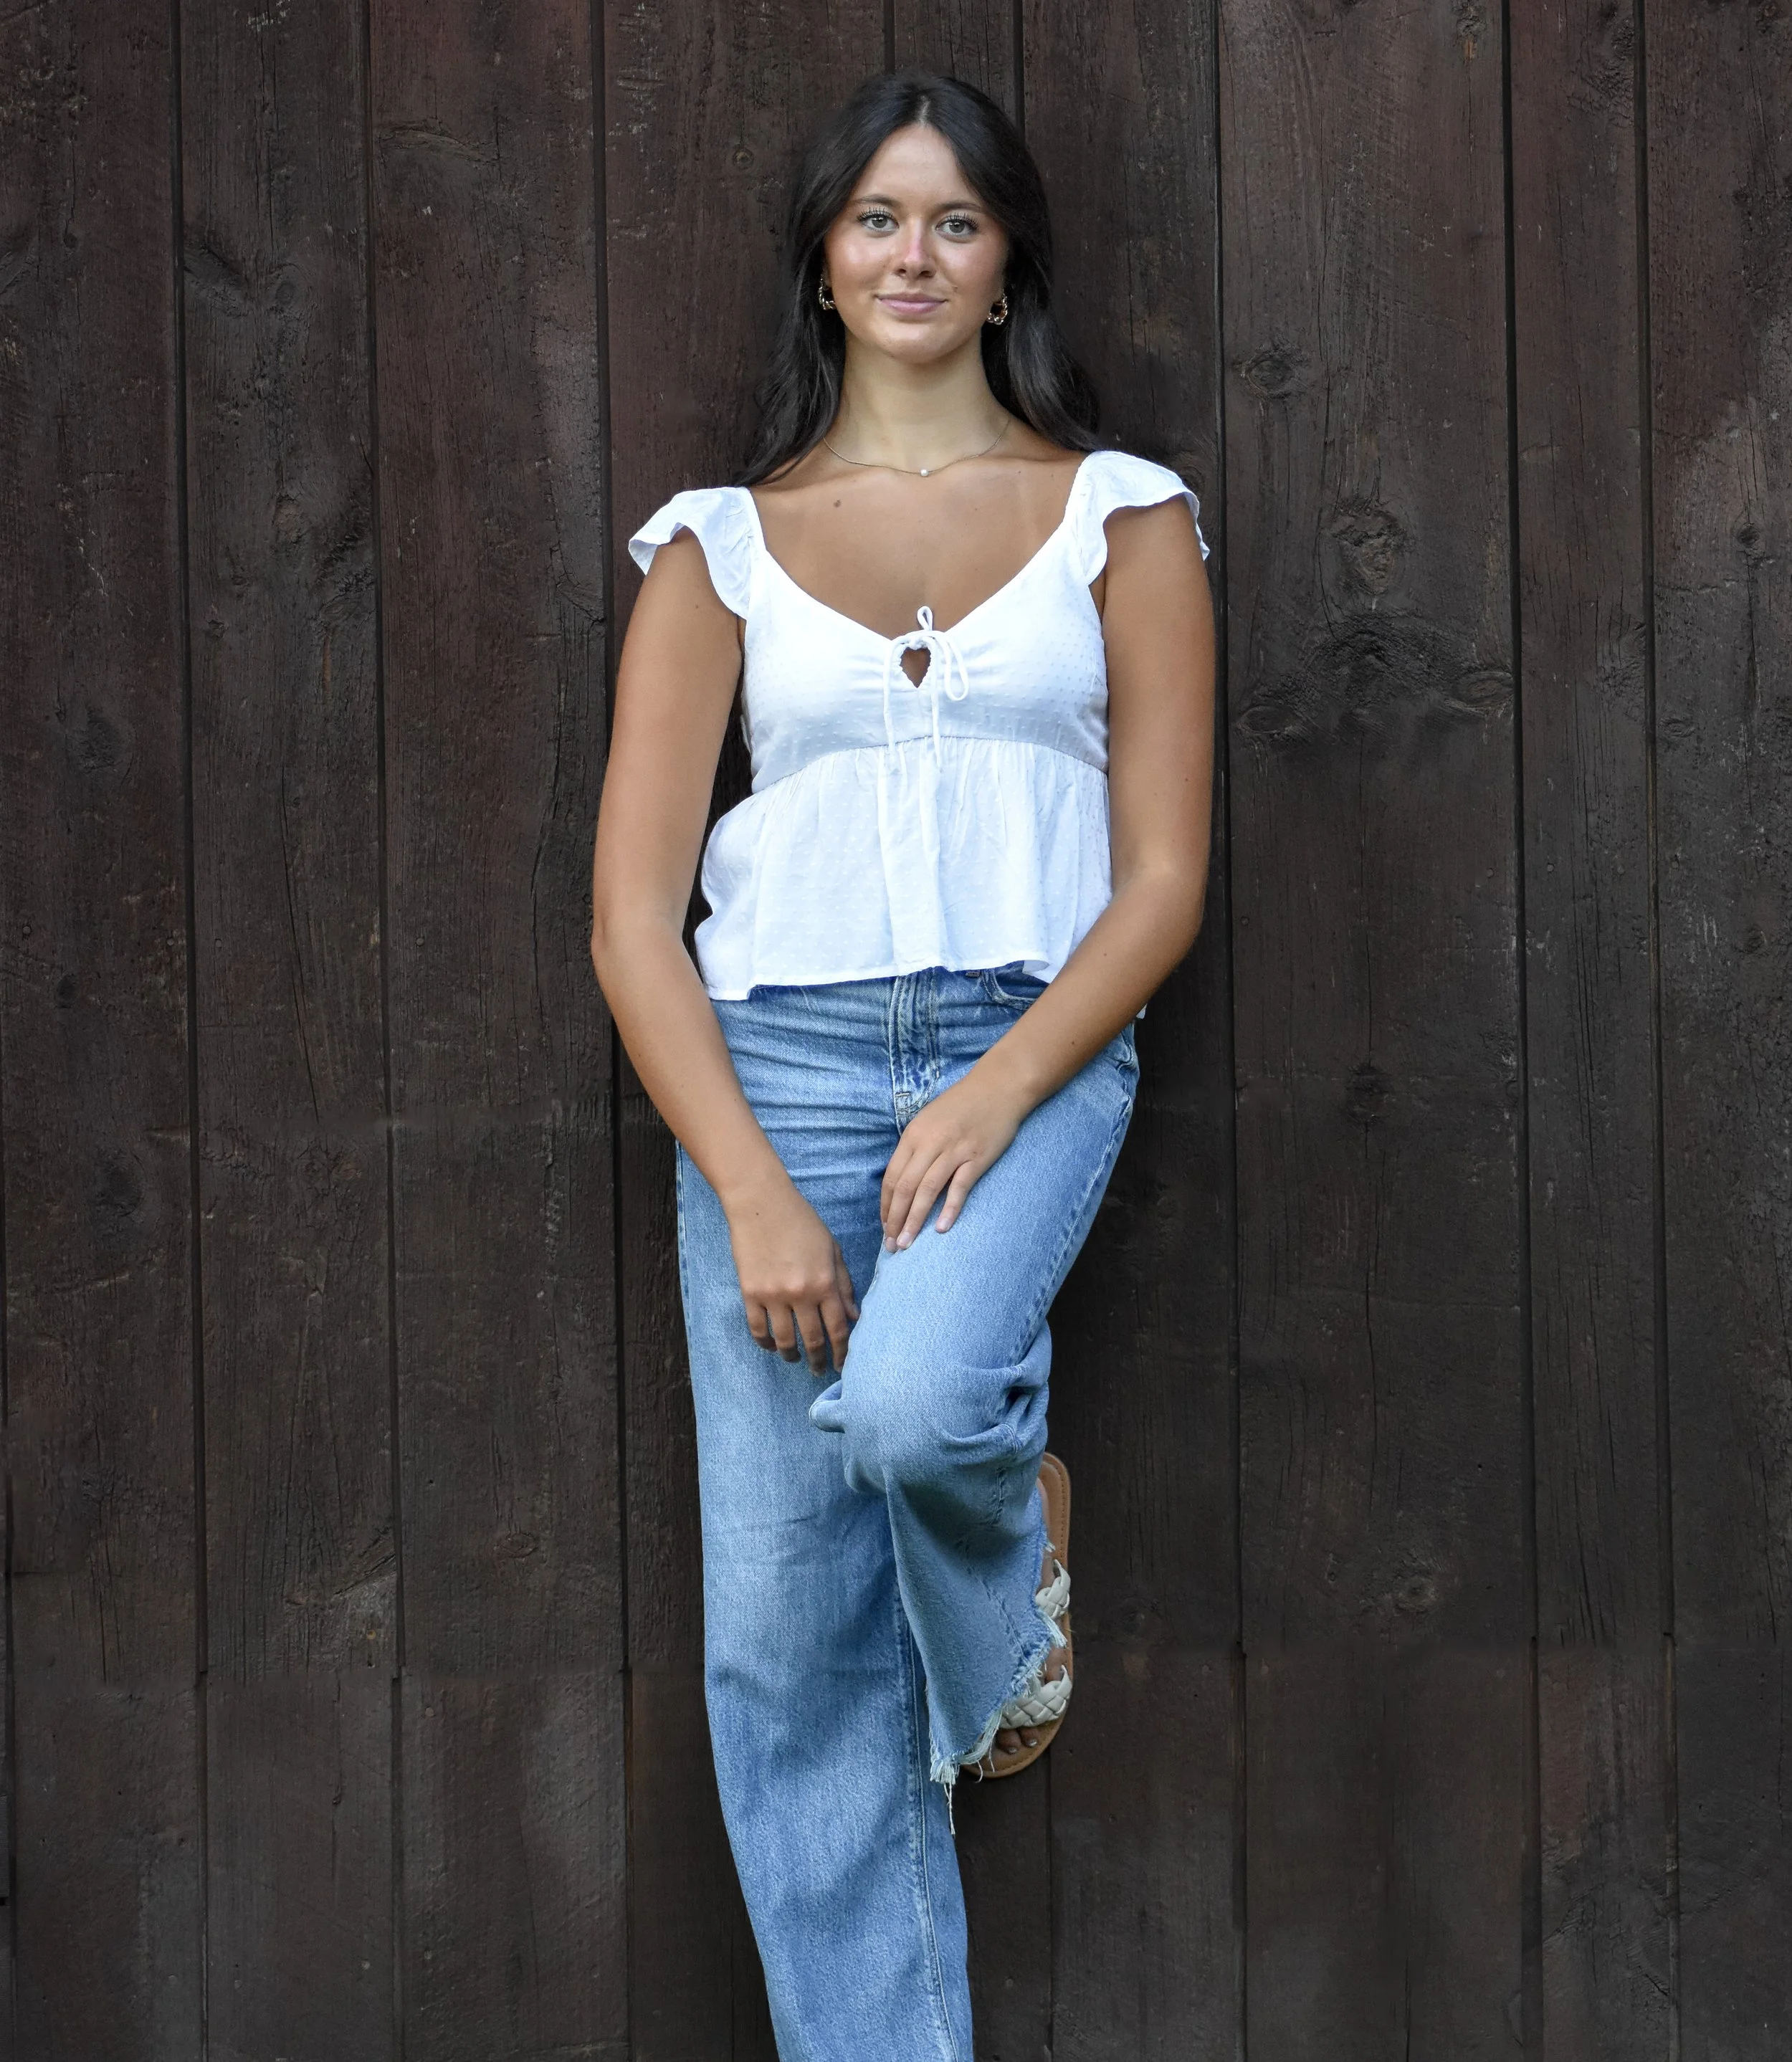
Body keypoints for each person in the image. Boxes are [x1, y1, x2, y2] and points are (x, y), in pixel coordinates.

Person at [591, 66, 1215, 2062]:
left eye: (952, 219)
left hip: (1025, 1052)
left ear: (1006, 247)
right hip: (767, 1079)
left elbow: (1164, 878)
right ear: (822, 259)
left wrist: (1001, 1082)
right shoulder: (718, 549)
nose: (914, 254)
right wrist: (758, 1188)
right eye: (877, 219)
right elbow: (632, 922)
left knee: (924, 1407)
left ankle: (1001, 1545)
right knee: (783, 1652)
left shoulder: (1123, 516)